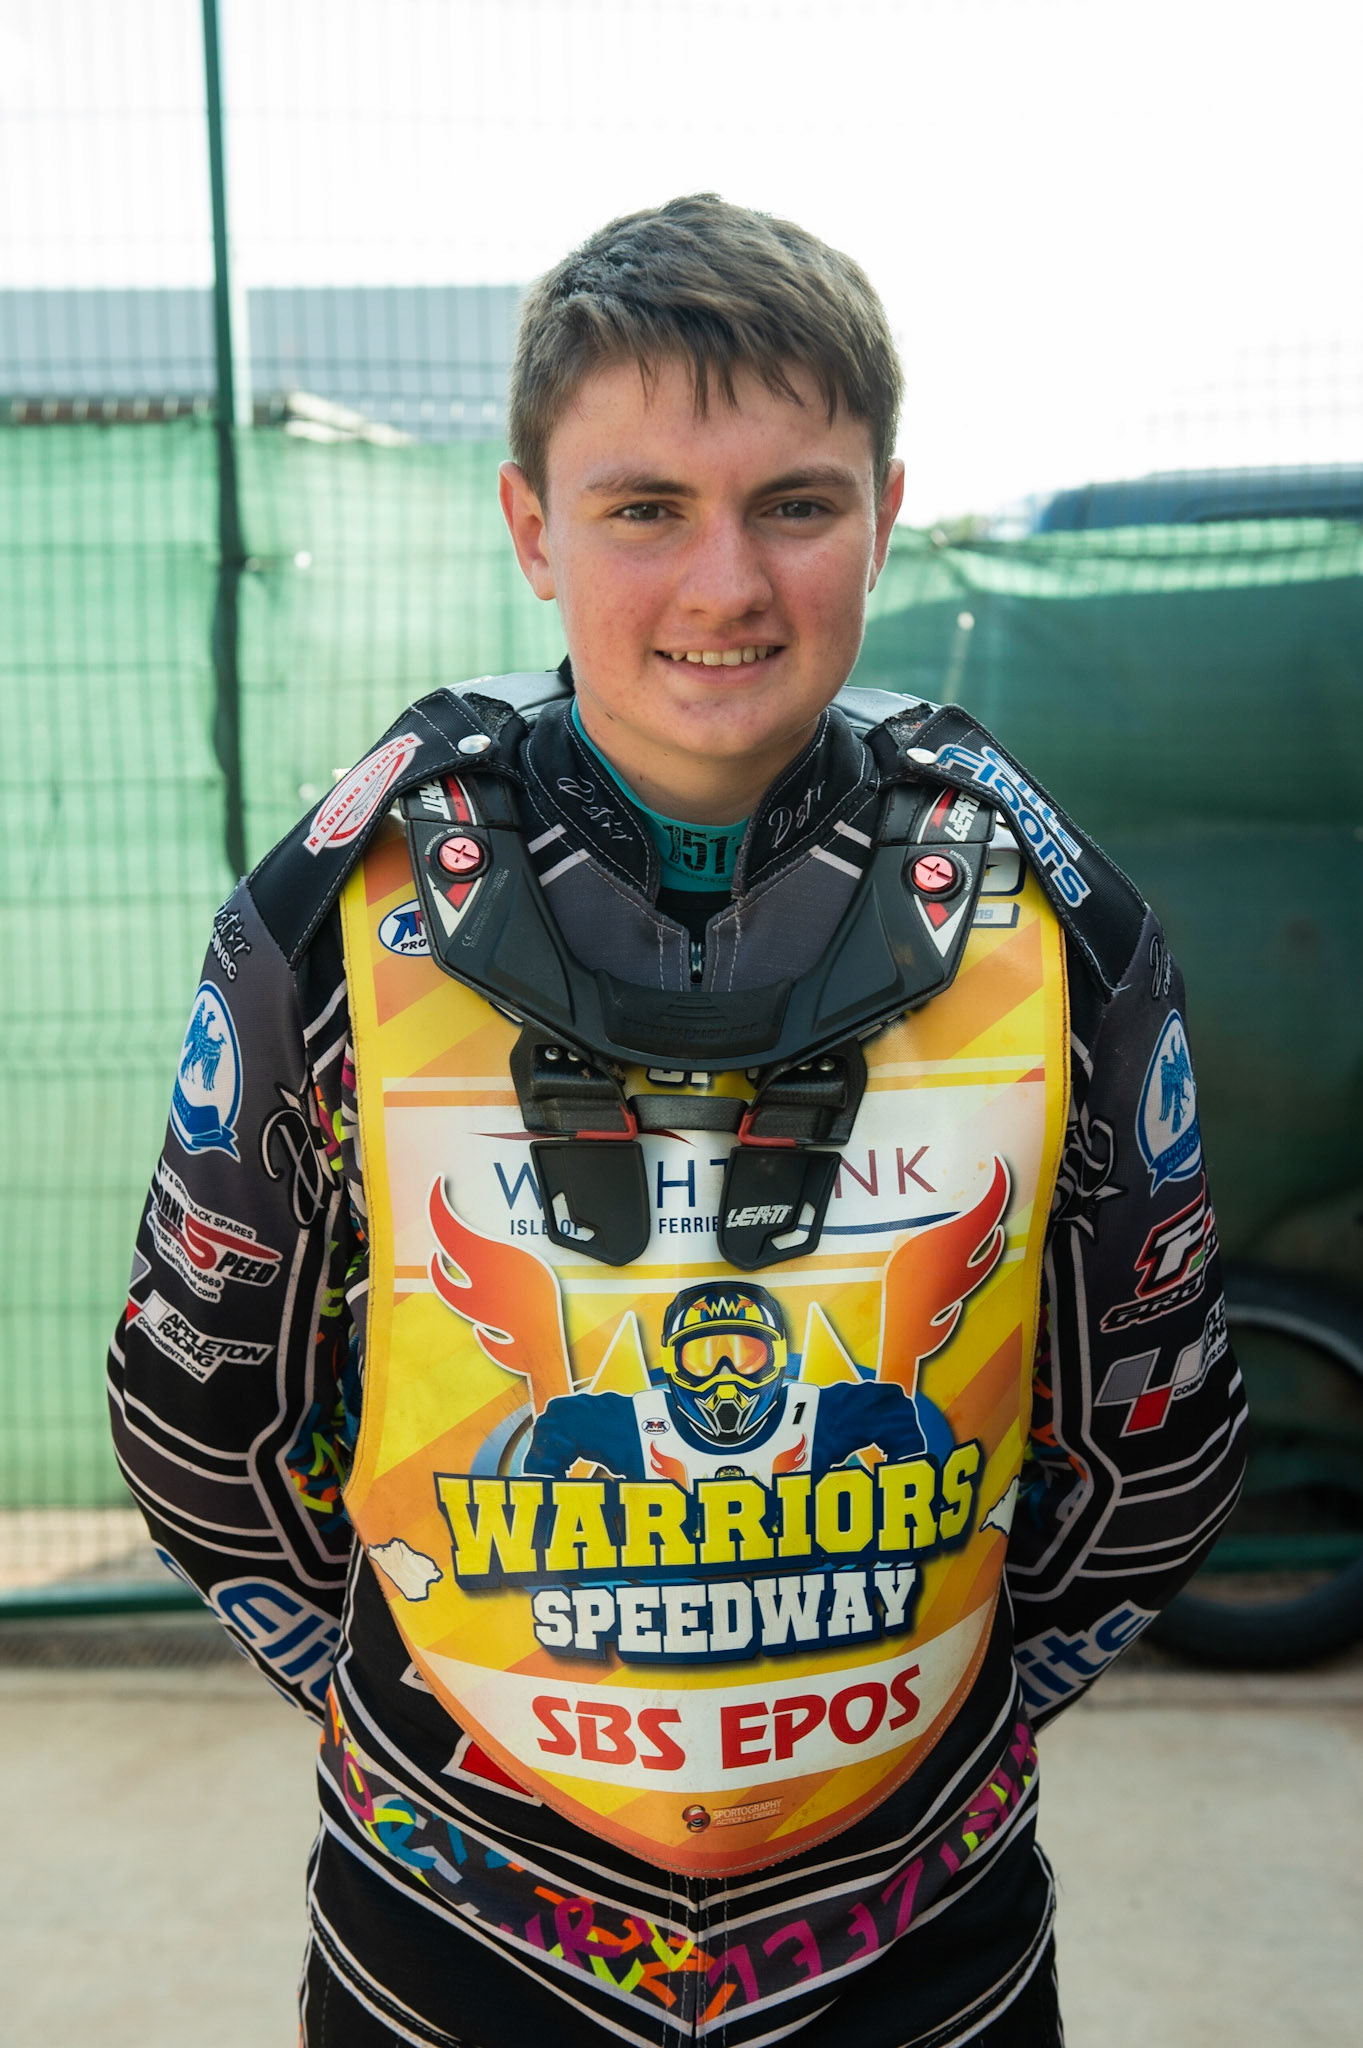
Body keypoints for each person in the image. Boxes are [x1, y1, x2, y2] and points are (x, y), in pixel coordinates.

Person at [109, 194, 1247, 2048]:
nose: (726, 586)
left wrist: (904, 1733)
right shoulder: (336, 912)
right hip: (457, 1933)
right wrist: (450, 1712)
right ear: (530, 527)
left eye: (795, 504)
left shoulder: (1059, 920)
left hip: (916, 1944)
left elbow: (1157, 1444)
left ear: (887, 511)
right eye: (646, 508)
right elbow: (201, 1423)